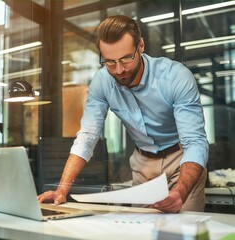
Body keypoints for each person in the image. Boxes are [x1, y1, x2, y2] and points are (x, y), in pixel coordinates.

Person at [37, 15, 208, 213]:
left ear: (141, 46)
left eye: (126, 58)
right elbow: (87, 137)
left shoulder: (175, 76)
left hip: (181, 160)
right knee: (141, 230)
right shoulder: (102, 82)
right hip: (142, 165)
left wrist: (180, 192)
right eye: (109, 62)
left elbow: (195, 142)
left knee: (185, 229)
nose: (119, 70)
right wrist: (62, 189)